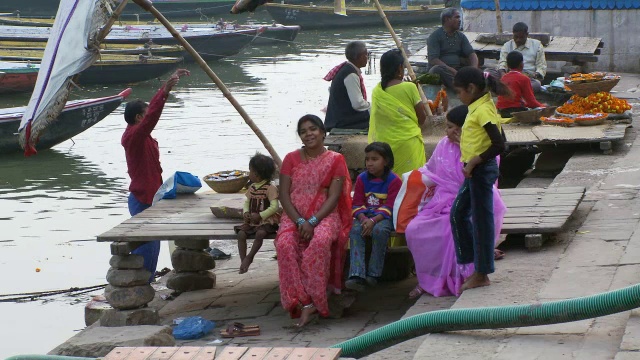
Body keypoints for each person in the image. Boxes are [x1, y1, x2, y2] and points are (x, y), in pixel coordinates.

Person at [405, 106, 506, 298]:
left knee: (452, 229)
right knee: (414, 229)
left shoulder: (484, 149)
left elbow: (481, 180)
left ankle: (466, 275)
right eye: (447, 126)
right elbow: (431, 169)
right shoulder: (444, 144)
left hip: (473, 197)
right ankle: (427, 280)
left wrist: (466, 149)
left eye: (451, 127)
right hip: (442, 200)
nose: (447, 131)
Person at [275, 114, 352, 327]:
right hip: (294, 216)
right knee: (285, 245)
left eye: (313, 129)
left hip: (325, 215)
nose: (308, 134)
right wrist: (300, 221)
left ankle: (318, 299)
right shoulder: (291, 159)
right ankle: (305, 302)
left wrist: (313, 221)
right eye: (303, 131)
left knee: (319, 242)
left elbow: (335, 196)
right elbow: (283, 195)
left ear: (322, 132)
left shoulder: (335, 160)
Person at [122, 68, 190, 283]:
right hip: (142, 200)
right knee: (147, 249)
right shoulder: (134, 135)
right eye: (146, 112)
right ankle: (142, 286)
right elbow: (152, 117)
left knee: (152, 248)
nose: (149, 114)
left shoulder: (142, 136)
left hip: (151, 197)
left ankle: (146, 285)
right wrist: (165, 91)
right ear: (139, 117)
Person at [450, 67, 510, 292]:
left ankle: (482, 272)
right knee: (458, 214)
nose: (458, 96)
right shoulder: (478, 107)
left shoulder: (482, 110)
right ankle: (471, 262)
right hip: (474, 171)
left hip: (481, 171)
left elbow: (499, 143)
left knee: (482, 223)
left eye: (459, 92)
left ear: (471, 89)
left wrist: (475, 160)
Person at [346, 142, 402, 292]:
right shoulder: (362, 179)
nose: (370, 163)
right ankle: (357, 274)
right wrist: (364, 219)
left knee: (380, 231)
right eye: (367, 159)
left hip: (383, 219)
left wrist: (373, 220)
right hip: (365, 217)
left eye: (375, 159)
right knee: (355, 231)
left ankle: (374, 273)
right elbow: (356, 203)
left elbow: (390, 206)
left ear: (386, 161)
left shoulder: (394, 180)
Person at [369, 49, 427, 175]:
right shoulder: (410, 87)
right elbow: (422, 119)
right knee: (411, 184)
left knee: (390, 187)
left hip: (384, 148)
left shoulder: (377, 91)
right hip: (408, 144)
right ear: (400, 68)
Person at [234, 153, 280, 274]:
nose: (249, 173)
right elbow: (247, 202)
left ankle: (250, 257)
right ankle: (243, 260)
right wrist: (246, 212)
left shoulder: (270, 188)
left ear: (257, 174)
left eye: (250, 171)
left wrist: (261, 215)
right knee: (241, 234)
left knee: (260, 233)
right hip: (252, 221)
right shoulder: (252, 187)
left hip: (266, 220)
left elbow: (274, 206)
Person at [427, 8, 479, 90]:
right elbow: (433, 59)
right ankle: (461, 88)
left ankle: (465, 84)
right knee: (437, 69)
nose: (459, 20)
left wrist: (474, 69)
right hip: (443, 70)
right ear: (447, 19)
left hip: (457, 69)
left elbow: (471, 53)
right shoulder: (435, 36)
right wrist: (451, 70)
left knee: (480, 68)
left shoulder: (461, 36)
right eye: (457, 17)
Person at [324, 41, 370, 132]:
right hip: (343, 122)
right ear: (360, 57)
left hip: (339, 117)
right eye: (366, 55)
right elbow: (358, 104)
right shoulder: (350, 74)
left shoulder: (346, 69)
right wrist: (373, 106)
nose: (367, 58)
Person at [497, 22, 547, 92]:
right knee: (488, 73)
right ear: (513, 34)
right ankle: (515, 89)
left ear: (527, 35)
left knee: (536, 84)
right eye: (516, 37)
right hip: (509, 77)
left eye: (521, 37)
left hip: (528, 77)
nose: (518, 40)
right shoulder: (507, 46)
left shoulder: (537, 45)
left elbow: (541, 66)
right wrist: (503, 75)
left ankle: (510, 90)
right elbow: (502, 63)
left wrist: (535, 75)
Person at [496, 51, 545, 118]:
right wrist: (543, 106)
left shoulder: (503, 78)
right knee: (538, 111)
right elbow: (531, 102)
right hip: (515, 111)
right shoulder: (524, 78)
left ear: (507, 65)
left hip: (502, 111)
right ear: (521, 64)